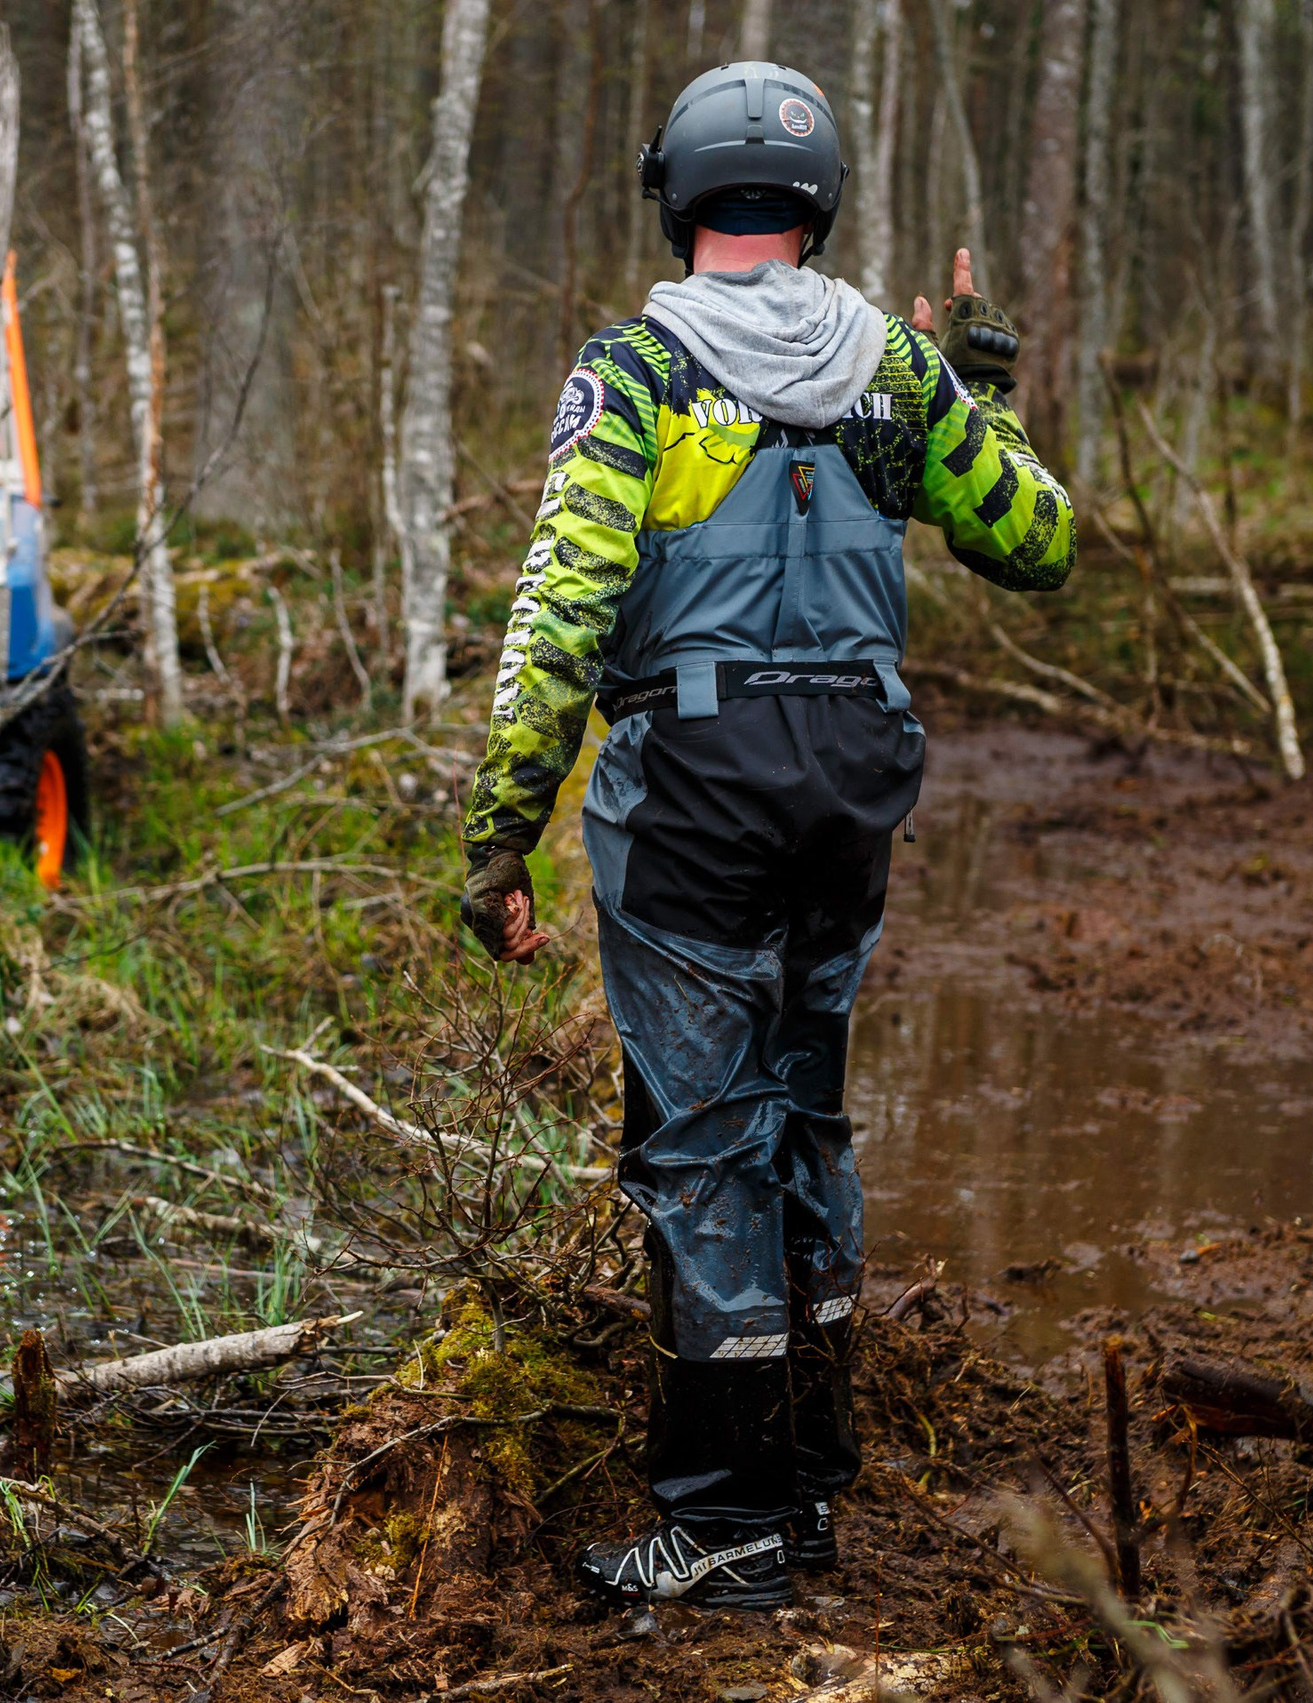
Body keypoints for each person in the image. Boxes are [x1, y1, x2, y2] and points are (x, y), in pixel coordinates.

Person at [457, 60, 1075, 1609]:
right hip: (852, 793)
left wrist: (499, 837)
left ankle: (724, 1517)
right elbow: (1037, 537)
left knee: (701, 1143)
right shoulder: (899, 377)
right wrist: (979, 379)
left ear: (679, 198)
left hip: (694, 801)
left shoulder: (638, 374)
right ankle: (804, 1484)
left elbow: (560, 616)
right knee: (808, 1115)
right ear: (818, 200)